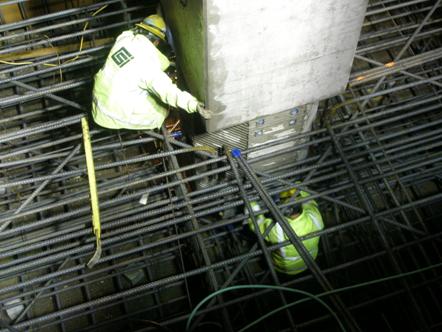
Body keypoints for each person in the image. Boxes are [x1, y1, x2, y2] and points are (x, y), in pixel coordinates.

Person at [92, 14, 210, 130]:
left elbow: (128, 34)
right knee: (161, 111)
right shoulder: (147, 63)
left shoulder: (123, 40)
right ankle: (168, 123)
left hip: (98, 99)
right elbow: (168, 91)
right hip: (111, 115)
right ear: (156, 42)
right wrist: (193, 104)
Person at [247, 189, 324, 275]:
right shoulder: (315, 218)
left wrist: (250, 200)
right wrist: (296, 187)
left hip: (283, 267)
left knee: (258, 238)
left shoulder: (277, 230)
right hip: (309, 260)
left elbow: (257, 223)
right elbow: (309, 201)